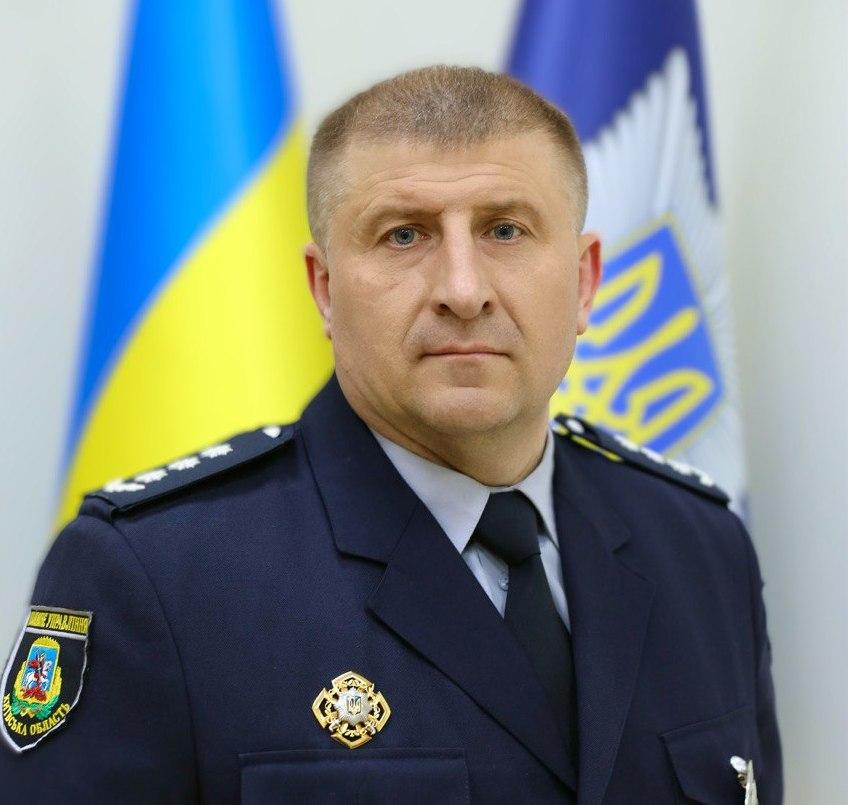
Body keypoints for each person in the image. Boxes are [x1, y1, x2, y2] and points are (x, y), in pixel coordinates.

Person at [0, 65, 781, 803]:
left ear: (583, 281)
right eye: (405, 235)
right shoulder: (155, 576)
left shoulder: (701, 548)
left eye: (505, 230)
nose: (463, 290)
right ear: (324, 289)